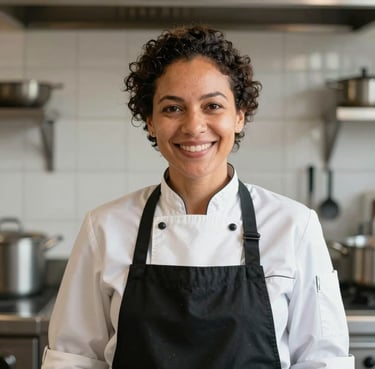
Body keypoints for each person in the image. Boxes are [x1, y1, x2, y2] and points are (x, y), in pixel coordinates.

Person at [41, 25, 353, 369]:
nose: (193, 126)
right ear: (150, 121)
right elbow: (73, 361)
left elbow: (323, 362)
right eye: (172, 108)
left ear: (239, 116)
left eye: (213, 106)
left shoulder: (294, 226)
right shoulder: (105, 227)